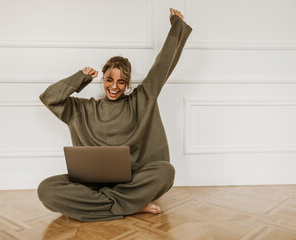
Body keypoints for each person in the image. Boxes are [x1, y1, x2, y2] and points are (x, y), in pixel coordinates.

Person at [37, 8, 192, 222]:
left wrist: (176, 26)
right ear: (103, 79)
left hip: (133, 181)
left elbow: (162, 65)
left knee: (166, 172)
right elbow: (49, 98)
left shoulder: (142, 99)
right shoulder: (82, 109)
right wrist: (79, 78)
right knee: (46, 190)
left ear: (127, 83)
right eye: (110, 79)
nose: (114, 86)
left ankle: (96, 206)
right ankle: (132, 205)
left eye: (121, 81)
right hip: (93, 183)